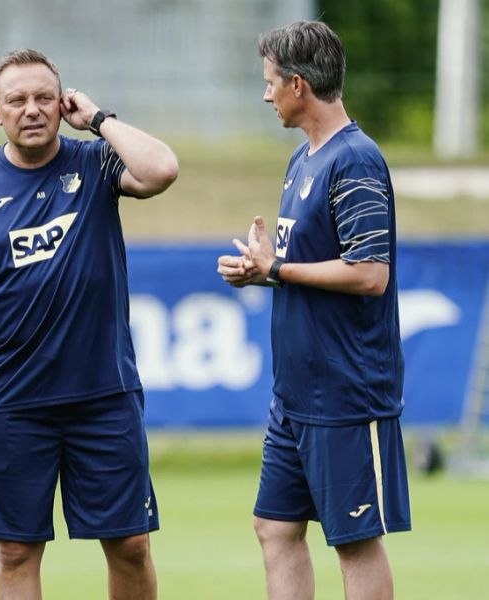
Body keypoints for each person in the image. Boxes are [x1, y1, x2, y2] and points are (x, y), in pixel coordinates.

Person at [0, 49, 178, 599]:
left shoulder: (96, 164)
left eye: (44, 98)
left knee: (130, 543)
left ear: (63, 105)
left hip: (105, 395)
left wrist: (101, 120)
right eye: (17, 100)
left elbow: (161, 170)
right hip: (17, 401)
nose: (32, 110)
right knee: (14, 550)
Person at [217, 21, 410, 600]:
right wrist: (264, 268)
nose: (266, 94)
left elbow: (370, 274)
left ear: (299, 85)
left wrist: (276, 270)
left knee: (353, 540)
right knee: (275, 527)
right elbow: (308, 269)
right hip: (297, 391)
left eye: (271, 82)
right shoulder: (303, 159)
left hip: (345, 390)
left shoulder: (355, 161)